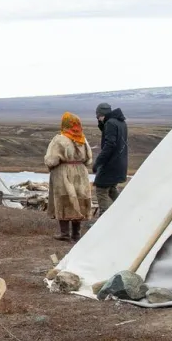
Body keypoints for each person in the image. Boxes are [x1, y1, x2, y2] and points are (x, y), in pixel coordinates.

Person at [45, 112, 93, 242]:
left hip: (63, 171)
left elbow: (52, 159)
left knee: (63, 198)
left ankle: (64, 233)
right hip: (80, 172)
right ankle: (76, 234)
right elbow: (89, 160)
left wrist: (50, 166)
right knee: (79, 199)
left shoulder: (59, 139)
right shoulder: (82, 139)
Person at [92, 102, 129, 215]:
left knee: (101, 189)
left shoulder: (110, 123)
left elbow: (109, 145)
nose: (98, 118)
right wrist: (102, 124)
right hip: (119, 163)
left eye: (98, 116)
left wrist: (98, 162)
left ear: (101, 114)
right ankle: (124, 212)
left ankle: (104, 218)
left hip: (111, 164)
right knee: (111, 188)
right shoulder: (121, 122)